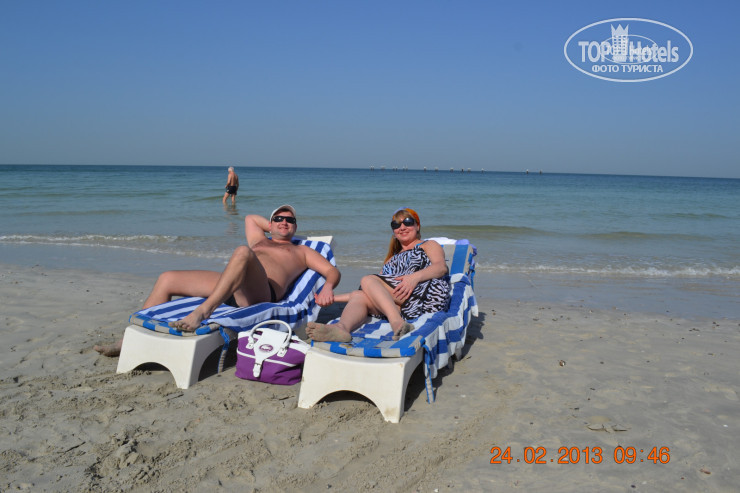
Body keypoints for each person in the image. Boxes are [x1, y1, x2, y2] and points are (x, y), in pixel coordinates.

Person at [94, 205, 340, 357]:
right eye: (278, 219)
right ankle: (128, 341)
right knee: (167, 278)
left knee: (242, 252)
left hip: (259, 293)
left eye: (290, 220)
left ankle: (203, 311)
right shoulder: (259, 239)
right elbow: (250, 218)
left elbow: (332, 271)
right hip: (230, 286)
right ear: (270, 224)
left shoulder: (301, 251)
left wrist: (328, 286)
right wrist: (273, 226)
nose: (284, 222)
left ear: (296, 227)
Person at [306, 208, 449, 343]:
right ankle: (341, 328)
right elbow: (374, 291)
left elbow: (441, 267)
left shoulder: (427, 245)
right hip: (402, 306)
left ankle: (397, 323)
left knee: (367, 280)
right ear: (394, 232)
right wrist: (333, 299)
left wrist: (414, 278)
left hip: (424, 296)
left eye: (408, 222)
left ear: (417, 226)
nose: (402, 227)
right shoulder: (391, 260)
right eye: (396, 225)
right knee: (359, 295)